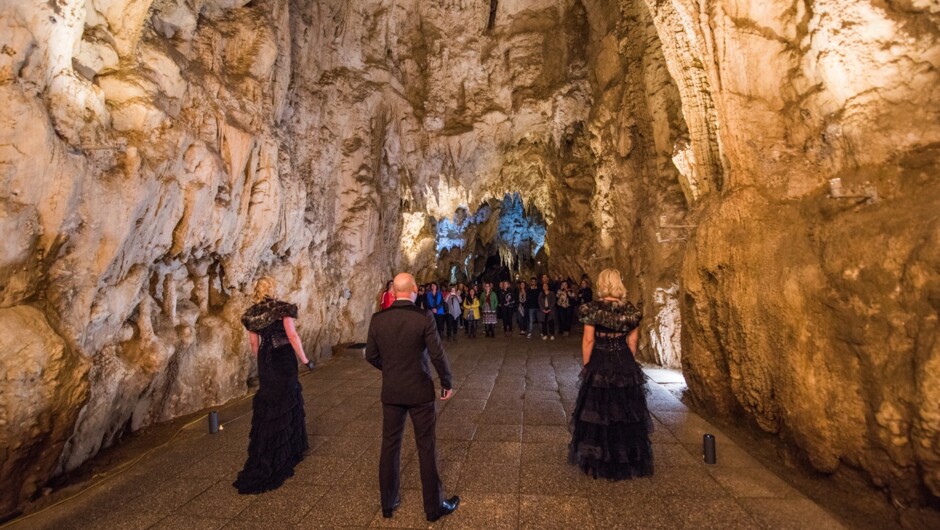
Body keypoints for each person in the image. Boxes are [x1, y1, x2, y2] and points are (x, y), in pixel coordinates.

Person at [365, 273, 460, 522]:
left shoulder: (378, 319)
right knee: (426, 446)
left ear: (394, 292)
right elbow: (437, 354)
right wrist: (446, 381)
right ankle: (433, 506)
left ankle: (388, 503)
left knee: (390, 446)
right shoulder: (423, 317)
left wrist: (390, 369)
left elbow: (371, 355)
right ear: (415, 289)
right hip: (420, 391)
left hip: (392, 391)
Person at [569, 268, 652, 480]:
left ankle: (598, 457)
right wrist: (626, 361)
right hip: (623, 360)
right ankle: (625, 456)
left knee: (599, 412)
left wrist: (587, 366)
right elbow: (632, 342)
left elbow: (589, 340)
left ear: (601, 284)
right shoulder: (631, 311)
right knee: (624, 412)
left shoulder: (592, 309)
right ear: (619, 284)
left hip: (600, 359)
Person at [235, 276, 314, 494]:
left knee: (270, 401)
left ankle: (268, 448)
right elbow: (292, 335)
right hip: (283, 358)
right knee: (288, 398)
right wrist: (306, 360)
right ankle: (288, 449)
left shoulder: (252, 314)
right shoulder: (282, 309)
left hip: (266, 361)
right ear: (273, 288)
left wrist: (262, 362)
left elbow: (254, 344)